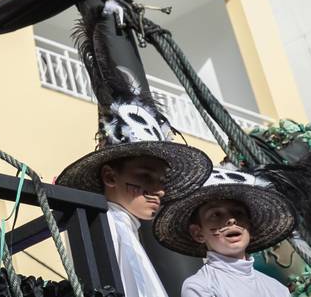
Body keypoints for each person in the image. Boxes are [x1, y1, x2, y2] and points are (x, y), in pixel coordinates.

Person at [56, 104, 212, 297]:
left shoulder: (121, 226)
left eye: (162, 181)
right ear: (110, 177)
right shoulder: (106, 225)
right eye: (146, 177)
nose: (160, 191)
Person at [154, 165, 296, 297]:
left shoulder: (278, 289)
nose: (231, 220)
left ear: (250, 227)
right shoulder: (200, 287)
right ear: (198, 233)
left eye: (238, 213)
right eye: (216, 215)